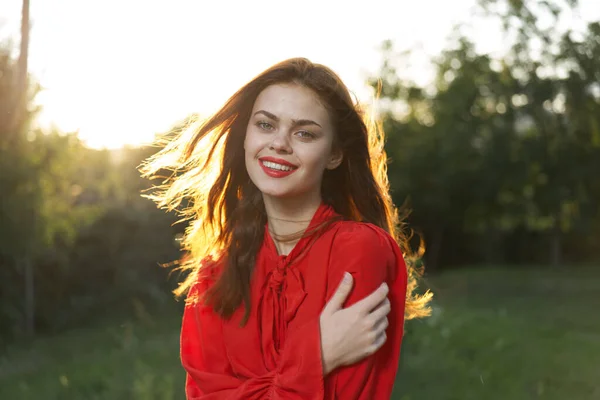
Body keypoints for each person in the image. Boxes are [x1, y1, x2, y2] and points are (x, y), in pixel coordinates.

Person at [141, 58, 432, 399]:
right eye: (265, 125)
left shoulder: (360, 250)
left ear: (334, 154)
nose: (280, 143)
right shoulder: (214, 274)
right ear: (246, 137)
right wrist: (318, 357)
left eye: (304, 133)